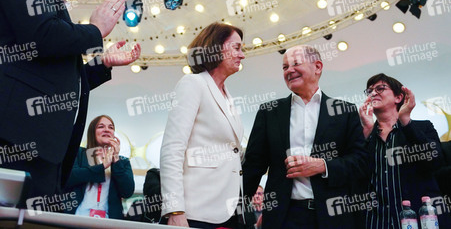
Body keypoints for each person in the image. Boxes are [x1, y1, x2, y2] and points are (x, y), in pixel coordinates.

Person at [0, 0, 140, 200]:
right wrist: (95, 30)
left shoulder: (54, 1)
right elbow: (42, 36)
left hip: (44, 152)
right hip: (16, 140)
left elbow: (57, 72)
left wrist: (103, 63)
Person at [243, 45, 368, 229]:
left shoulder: (345, 111)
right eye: (285, 67)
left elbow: (360, 162)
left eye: (295, 64)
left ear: (317, 67)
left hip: (333, 218)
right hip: (283, 219)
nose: (289, 70)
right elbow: (253, 166)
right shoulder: (269, 112)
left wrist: (323, 166)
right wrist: (234, 212)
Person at [160, 22, 246, 228]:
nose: (242, 55)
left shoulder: (228, 97)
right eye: (237, 48)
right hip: (195, 212)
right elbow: (172, 149)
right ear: (216, 48)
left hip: (229, 211)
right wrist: (175, 209)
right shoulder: (193, 84)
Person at [359, 73, 450, 228]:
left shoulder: (422, 127)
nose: (373, 93)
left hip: (418, 219)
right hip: (376, 221)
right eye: (369, 91)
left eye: (380, 88)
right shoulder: (364, 136)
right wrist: (366, 133)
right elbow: (355, 177)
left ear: (398, 97)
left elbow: (435, 162)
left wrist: (406, 121)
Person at [64, 115, 134, 219]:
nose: (107, 130)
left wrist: (115, 160)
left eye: (111, 127)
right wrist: (102, 167)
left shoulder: (122, 161)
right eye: (101, 126)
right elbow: (69, 178)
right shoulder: (78, 153)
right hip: (77, 217)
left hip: (108, 221)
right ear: (92, 132)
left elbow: (127, 191)